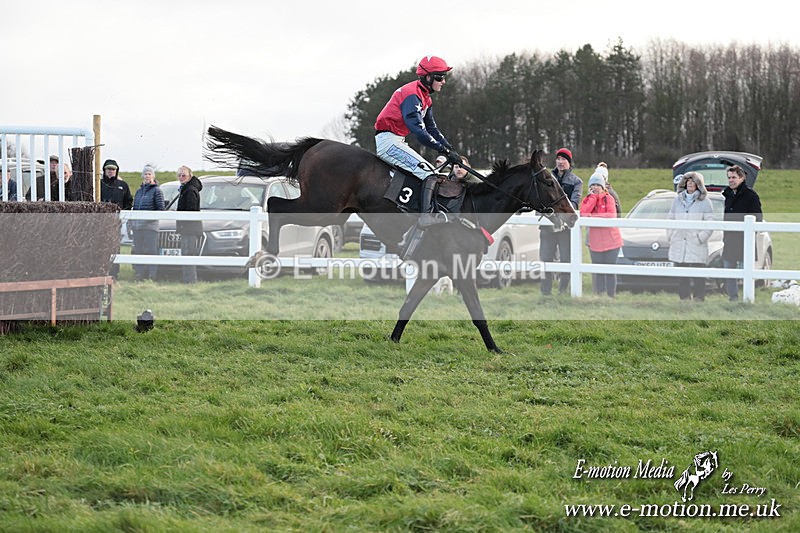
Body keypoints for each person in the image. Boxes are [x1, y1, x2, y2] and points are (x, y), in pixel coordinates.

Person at [374, 55, 462, 226]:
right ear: (427, 77)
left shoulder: (426, 98)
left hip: (397, 140)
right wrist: (442, 150)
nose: (443, 81)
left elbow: (432, 129)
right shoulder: (412, 94)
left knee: (434, 174)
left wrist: (449, 148)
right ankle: (425, 217)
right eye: (440, 77)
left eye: (444, 77)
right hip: (389, 142)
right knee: (429, 174)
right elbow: (419, 131)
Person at [539, 148, 582, 295]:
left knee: (566, 260)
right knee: (545, 260)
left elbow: (574, 204)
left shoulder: (576, 182)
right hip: (547, 227)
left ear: (569, 162)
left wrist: (561, 216)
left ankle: (562, 292)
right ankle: (545, 293)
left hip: (565, 229)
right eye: (558, 159)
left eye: (564, 159)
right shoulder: (547, 178)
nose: (560, 162)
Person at [667, 172, 714, 301]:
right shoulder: (677, 200)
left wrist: (699, 238)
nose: (690, 184)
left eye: (693, 182)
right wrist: (670, 235)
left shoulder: (705, 202)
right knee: (682, 274)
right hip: (679, 242)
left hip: (696, 243)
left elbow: (710, 224)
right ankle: (684, 299)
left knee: (698, 273)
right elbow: (670, 218)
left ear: (699, 185)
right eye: (688, 181)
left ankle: (699, 298)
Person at [722, 164, 763, 301]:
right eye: (729, 178)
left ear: (741, 178)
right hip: (729, 239)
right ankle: (732, 298)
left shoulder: (751, 196)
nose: (731, 180)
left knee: (747, 271)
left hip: (746, 240)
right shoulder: (727, 194)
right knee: (729, 270)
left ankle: (747, 298)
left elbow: (758, 218)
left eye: (734, 177)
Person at [580, 173, 623, 297]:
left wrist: (593, 217)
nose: (595, 187)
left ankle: (611, 296)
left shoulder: (608, 198)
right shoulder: (588, 199)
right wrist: (593, 198)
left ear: (603, 186)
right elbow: (583, 214)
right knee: (598, 271)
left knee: (610, 270)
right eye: (592, 185)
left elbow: (611, 216)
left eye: (597, 185)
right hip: (595, 243)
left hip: (612, 241)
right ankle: (599, 296)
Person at [100, 159, 133, 280]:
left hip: (115, 223)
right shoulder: (99, 184)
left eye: (113, 169)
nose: (110, 171)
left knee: (115, 248)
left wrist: (123, 214)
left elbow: (128, 201)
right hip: (100, 223)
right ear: (104, 170)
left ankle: (114, 274)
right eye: (108, 169)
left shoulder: (122, 185)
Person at [131, 165, 165, 281]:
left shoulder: (157, 191)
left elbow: (160, 209)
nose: (147, 176)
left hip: (150, 227)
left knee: (151, 250)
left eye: (149, 174)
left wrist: (147, 220)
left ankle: (152, 275)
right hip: (137, 226)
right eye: (145, 174)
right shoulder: (139, 191)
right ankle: (140, 274)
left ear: (153, 176)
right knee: (139, 250)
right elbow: (135, 208)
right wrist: (132, 223)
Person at [176, 165, 203, 284]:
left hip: (190, 228)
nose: (181, 177)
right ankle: (187, 279)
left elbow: (191, 210)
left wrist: (182, 223)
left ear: (190, 176)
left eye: (184, 175)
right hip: (187, 227)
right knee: (186, 253)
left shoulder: (190, 189)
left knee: (188, 253)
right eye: (179, 175)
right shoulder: (185, 188)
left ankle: (191, 280)